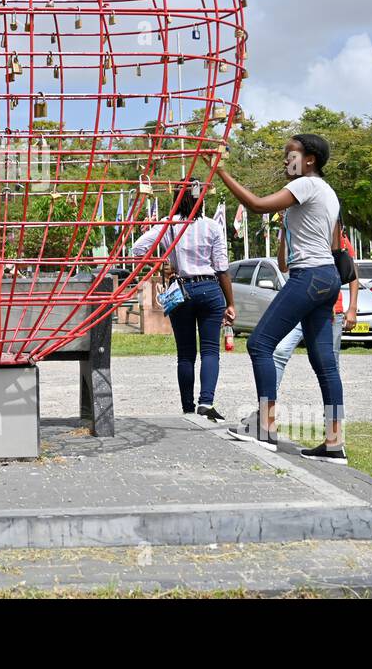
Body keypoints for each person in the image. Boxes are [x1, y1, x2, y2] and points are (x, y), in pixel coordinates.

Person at [215, 134, 348, 463]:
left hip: (311, 277)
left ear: (310, 159)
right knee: (325, 364)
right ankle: (334, 444)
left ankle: (265, 428)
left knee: (259, 343)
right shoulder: (327, 193)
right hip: (326, 277)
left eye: (291, 154)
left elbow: (256, 205)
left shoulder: (308, 185)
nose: (285, 160)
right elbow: (297, 257)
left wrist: (219, 171)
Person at [130, 182, 236, 420]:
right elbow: (222, 268)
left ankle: (187, 407)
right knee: (210, 350)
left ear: (176, 198)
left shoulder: (167, 226)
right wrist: (230, 303)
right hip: (209, 288)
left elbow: (137, 249)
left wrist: (163, 264)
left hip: (181, 289)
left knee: (186, 354)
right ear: (201, 199)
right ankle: (205, 403)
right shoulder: (212, 226)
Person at [270, 222, 358, 398]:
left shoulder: (333, 231)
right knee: (279, 352)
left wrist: (352, 308)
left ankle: (334, 418)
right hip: (300, 304)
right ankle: (265, 412)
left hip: (328, 307)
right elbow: (283, 266)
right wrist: (284, 229)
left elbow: (351, 270)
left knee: (329, 364)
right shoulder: (294, 231)